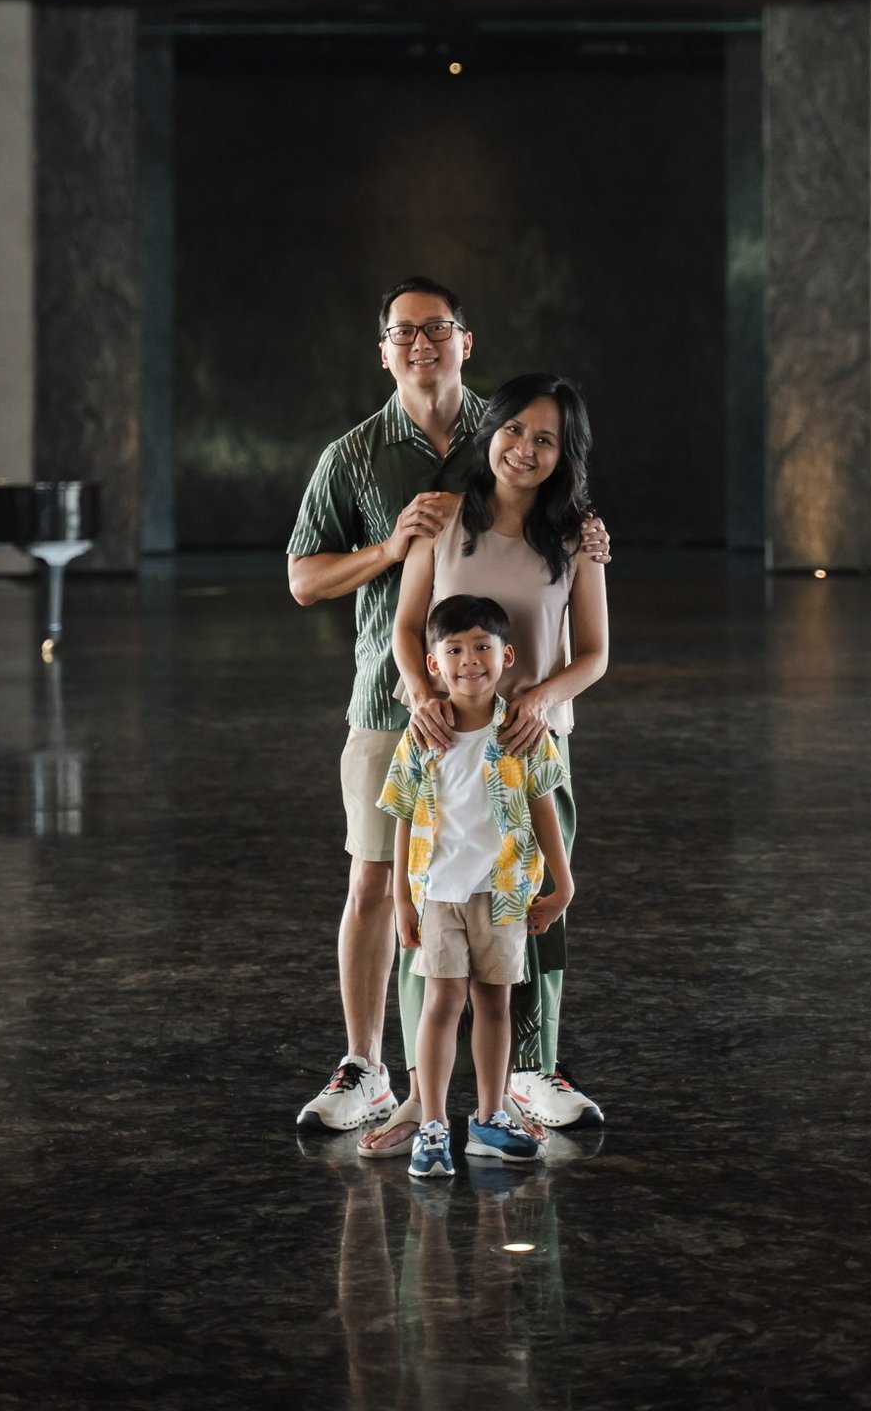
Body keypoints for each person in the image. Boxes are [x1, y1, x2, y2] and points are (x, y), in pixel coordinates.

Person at [287, 278, 609, 1140]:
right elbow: (306, 580)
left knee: (523, 895)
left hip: (516, 732)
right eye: (404, 332)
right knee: (386, 885)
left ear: (468, 341)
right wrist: (391, 548)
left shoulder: (509, 445)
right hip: (399, 712)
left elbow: (582, 614)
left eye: (438, 329)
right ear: (383, 349)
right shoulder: (353, 457)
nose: (421, 343)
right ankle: (376, 1070)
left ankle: (524, 1074)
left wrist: (590, 543)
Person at [387, 373, 608, 1134]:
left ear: (563, 455)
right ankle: (425, 1089)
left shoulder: (577, 537)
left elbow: (597, 655)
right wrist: (422, 700)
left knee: (535, 917)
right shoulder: (441, 518)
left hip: (532, 751)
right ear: (492, 430)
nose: (525, 449)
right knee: (433, 917)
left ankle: (533, 1071)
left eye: (546, 439)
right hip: (445, 754)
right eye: (515, 429)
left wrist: (541, 700)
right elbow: (407, 629)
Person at [380, 593, 573, 1179]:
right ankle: (433, 1124)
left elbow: (545, 809)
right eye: (455, 650)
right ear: (433, 664)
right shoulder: (421, 736)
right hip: (439, 894)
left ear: (507, 655)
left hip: (506, 892)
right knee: (441, 1004)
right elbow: (403, 816)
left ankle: (490, 1117)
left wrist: (561, 885)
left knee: (495, 1003)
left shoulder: (523, 733)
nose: (470, 661)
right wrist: (401, 899)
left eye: (483, 647)